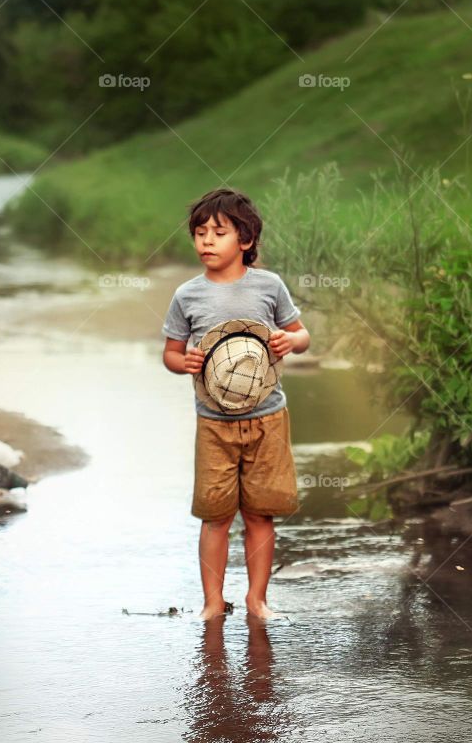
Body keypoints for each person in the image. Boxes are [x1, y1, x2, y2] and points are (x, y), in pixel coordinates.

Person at [161, 187, 310, 622]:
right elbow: (170, 354)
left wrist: (291, 339)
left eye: (218, 232)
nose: (206, 240)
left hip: (267, 419)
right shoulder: (188, 295)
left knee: (261, 514)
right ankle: (212, 602)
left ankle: (256, 600)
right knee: (215, 516)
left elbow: (302, 335)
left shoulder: (269, 286)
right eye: (200, 232)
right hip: (214, 423)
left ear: (245, 241)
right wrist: (181, 361)